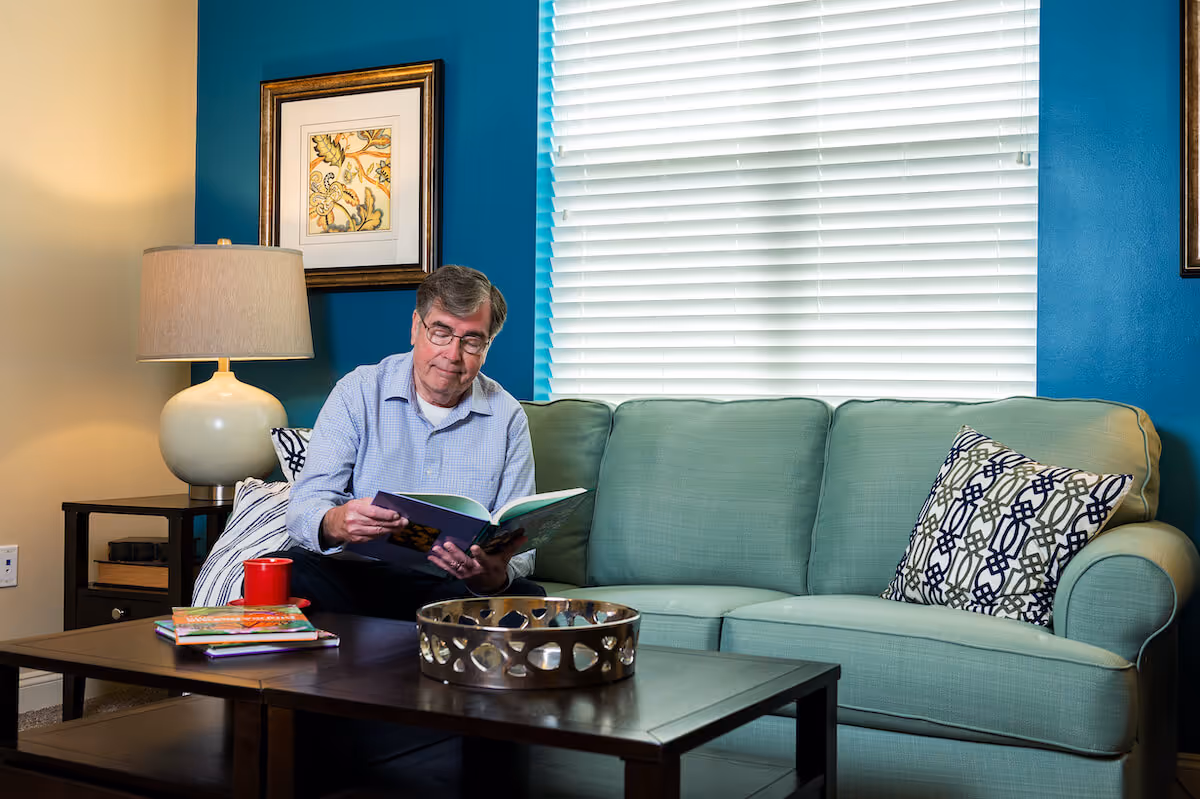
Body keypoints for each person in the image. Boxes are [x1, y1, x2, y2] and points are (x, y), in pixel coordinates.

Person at [269, 264, 546, 619]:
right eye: (441, 332)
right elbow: (307, 503)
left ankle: (393, 635)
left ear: (487, 345)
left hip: (455, 587)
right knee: (292, 573)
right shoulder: (358, 392)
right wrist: (337, 521)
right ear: (416, 327)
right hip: (359, 577)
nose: (453, 354)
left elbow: (518, 546)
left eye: (472, 340)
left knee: (529, 600)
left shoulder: (507, 417)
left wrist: (493, 575)